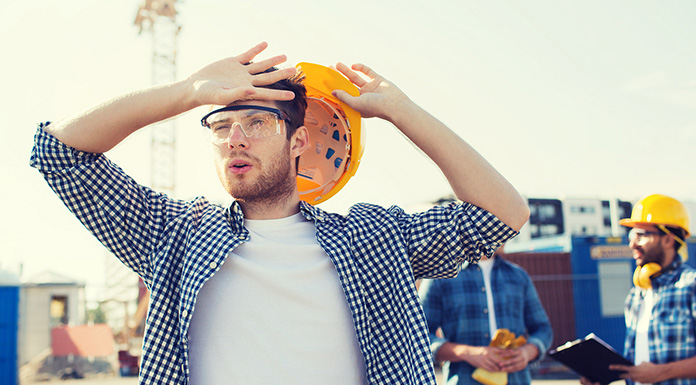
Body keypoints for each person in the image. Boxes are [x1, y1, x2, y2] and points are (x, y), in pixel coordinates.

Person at [30, 42, 530, 384]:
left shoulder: (373, 238)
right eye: (221, 125)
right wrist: (188, 91)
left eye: (255, 122)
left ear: (298, 141)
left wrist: (402, 110)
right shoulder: (175, 236)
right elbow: (57, 153)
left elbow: (503, 212)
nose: (235, 138)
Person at [581, 194, 696, 385]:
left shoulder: (691, 286)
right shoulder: (636, 295)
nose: (632, 244)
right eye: (631, 236)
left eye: (641, 235)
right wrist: (602, 376)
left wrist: (662, 373)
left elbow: (655, 371)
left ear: (668, 240)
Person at [419, 249, 553, 385]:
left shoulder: (519, 277)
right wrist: (465, 352)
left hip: (517, 380)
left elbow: (543, 329)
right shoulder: (439, 277)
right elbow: (418, 337)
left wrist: (528, 352)